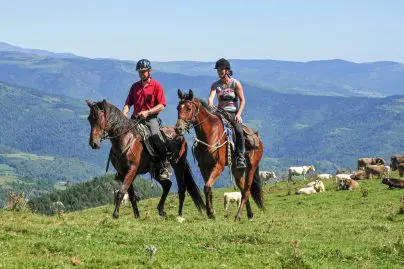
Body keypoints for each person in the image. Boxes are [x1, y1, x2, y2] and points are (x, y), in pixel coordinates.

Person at [122, 59, 171, 180]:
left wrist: (148, 112)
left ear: (149, 71)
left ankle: (165, 164)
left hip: (150, 119)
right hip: (135, 118)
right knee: (122, 136)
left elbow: (162, 105)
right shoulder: (135, 87)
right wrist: (124, 112)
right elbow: (128, 103)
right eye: (140, 72)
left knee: (155, 136)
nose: (142, 74)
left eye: (144, 71)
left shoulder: (156, 86)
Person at [208, 58, 246, 169]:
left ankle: (240, 157)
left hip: (233, 113)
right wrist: (210, 104)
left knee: (239, 131)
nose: (219, 72)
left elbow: (242, 100)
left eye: (221, 70)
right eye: (218, 70)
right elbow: (211, 97)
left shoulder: (235, 83)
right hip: (220, 113)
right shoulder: (215, 85)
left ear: (227, 70)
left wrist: (238, 114)